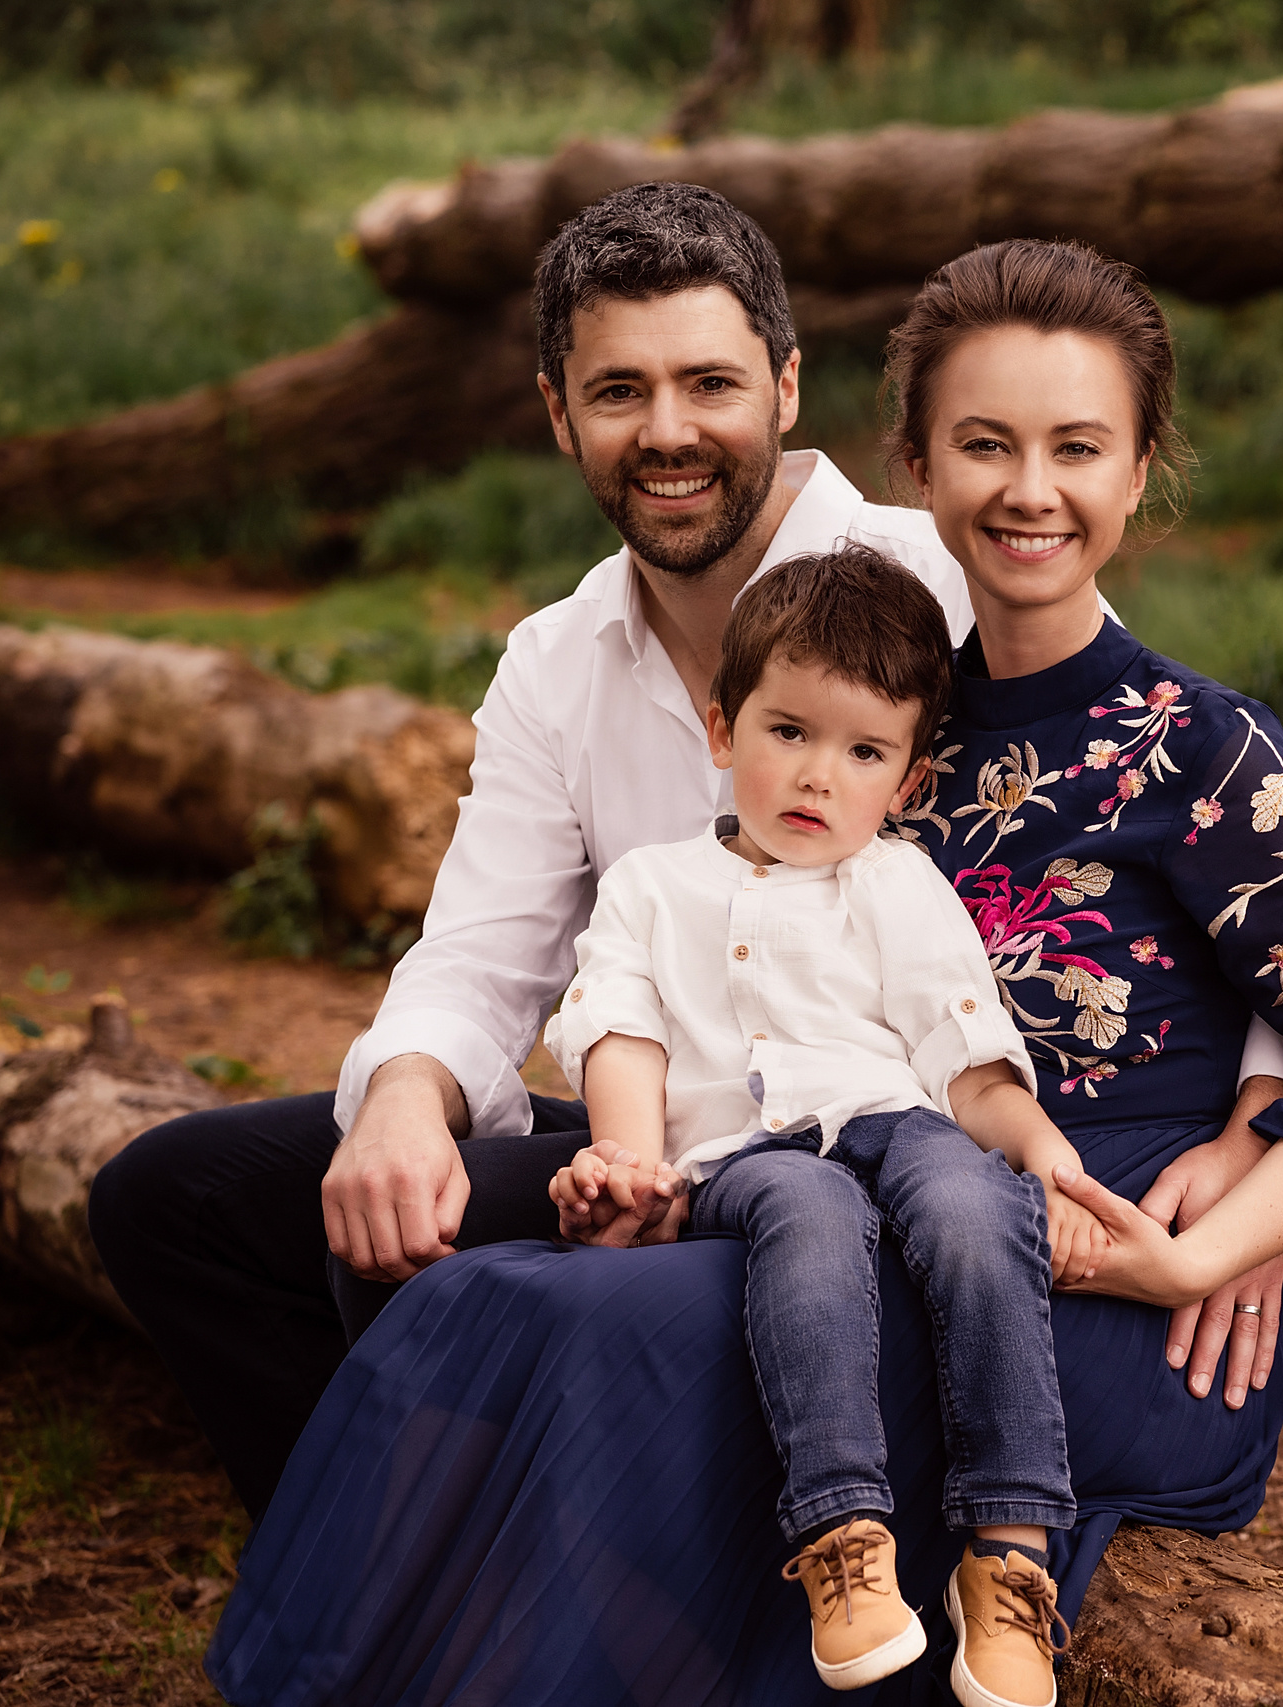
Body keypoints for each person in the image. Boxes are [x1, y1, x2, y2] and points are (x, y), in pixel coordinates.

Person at [199, 234, 1283, 1707]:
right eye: (983, 445)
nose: (1029, 490)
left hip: (1091, 1263)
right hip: (863, 1178)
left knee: (597, 1320)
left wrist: (1222, 1230)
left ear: (1139, 474)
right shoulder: (878, 718)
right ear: (918, 469)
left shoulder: (1193, 739)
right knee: (479, 1266)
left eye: (1077, 448)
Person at [84, 181, 1283, 1526]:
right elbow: (482, 956)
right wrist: (404, 1094)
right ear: (559, 414)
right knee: (179, 1198)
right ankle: (376, 1553)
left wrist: (1256, 1153)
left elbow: (1187, 815)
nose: (668, 432)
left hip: (886, 1153)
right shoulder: (558, 659)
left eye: (709, 383)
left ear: (785, 387)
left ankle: (519, 1553)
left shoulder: (955, 577)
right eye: (619, 391)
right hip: (672, 1128)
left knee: (528, 1254)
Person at [541, 543, 1101, 1705]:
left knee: (973, 1207)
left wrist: (1043, 1156)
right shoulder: (652, 886)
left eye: (862, 753)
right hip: (740, 1155)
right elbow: (619, 1027)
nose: (816, 777)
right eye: (787, 731)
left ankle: (1007, 1555)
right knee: (806, 1210)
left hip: (896, 1123)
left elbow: (962, 1059)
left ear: (905, 780)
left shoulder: (895, 882)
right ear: (722, 729)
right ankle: (843, 1539)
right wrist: (629, 1161)